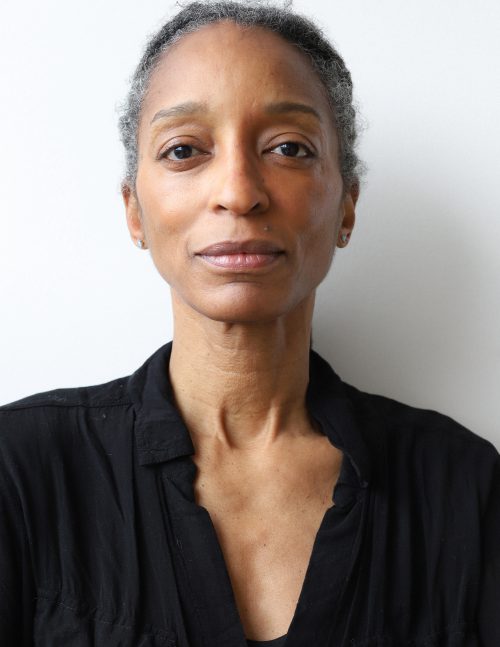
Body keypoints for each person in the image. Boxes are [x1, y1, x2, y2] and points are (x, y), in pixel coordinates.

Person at [0, 1, 498, 645]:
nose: (238, 192)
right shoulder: (21, 470)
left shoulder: (463, 488)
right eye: (184, 150)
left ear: (346, 206)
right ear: (134, 212)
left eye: (288, 148)